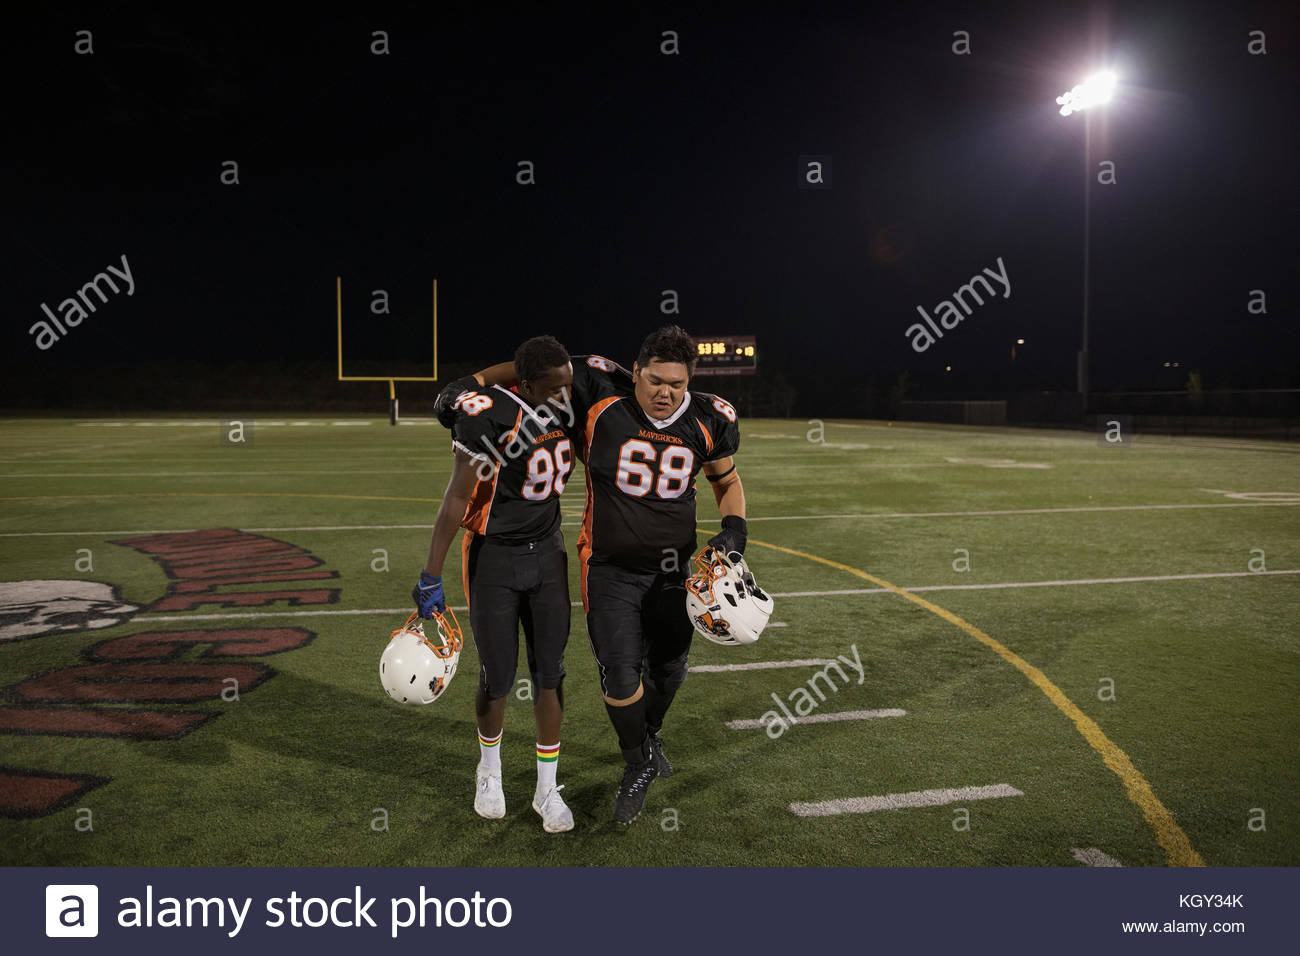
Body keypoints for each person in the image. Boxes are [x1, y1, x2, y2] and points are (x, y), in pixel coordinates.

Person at [439, 325, 747, 824]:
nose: (664, 392)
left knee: (668, 671)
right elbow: (529, 371)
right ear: (637, 371)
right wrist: (471, 380)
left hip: (675, 570)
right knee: (620, 672)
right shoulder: (600, 389)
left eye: (676, 383)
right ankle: (636, 764)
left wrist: (735, 528)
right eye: (654, 380)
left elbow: (727, 481)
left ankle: (648, 737)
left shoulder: (710, 417)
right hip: (607, 565)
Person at [413, 334, 579, 833]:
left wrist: (479, 376)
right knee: (497, 674)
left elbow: (536, 370)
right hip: (495, 560)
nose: (565, 398)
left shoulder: (565, 390)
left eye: (567, 386)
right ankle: (490, 772)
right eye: (553, 389)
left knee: (551, 671)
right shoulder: (491, 418)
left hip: (549, 554)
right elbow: (455, 500)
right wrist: (430, 574)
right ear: (526, 386)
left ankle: (547, 789)